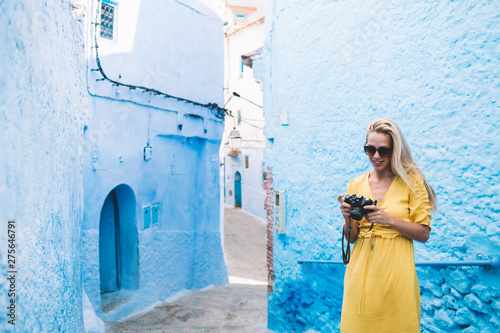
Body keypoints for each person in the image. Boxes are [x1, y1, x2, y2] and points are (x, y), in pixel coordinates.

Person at [338, 118, 437, 332]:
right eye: (370, 149)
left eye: (383, 151)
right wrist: (347, 217)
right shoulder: (355, 184)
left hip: (397, 273)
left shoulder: (413, 182)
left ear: (396, 150)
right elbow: (352, 237)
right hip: (360, 272)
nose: (376, 156)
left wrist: (388, 219)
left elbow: (423, 233)